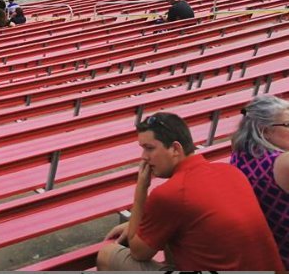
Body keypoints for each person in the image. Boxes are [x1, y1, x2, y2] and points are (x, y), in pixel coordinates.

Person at [98, 111, 283, 271]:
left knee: (107, 255)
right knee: (173, 235)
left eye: (149, 148)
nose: (144, 157)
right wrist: (141, 223)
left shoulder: (171, 192)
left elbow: (138, 252)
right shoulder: (230, 171)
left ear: (175, 148)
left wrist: (141, 188)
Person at [230, 95, 289, 269]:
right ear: (265, 130)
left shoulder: (238, 156)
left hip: (265, 253)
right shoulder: (283, 163)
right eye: (287, 125)